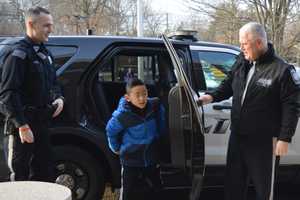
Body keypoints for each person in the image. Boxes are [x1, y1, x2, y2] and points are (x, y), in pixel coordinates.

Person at [199, 22, 300, 200]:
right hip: (238, 136)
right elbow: (229, 83)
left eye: (244, 44)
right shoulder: (242, 60)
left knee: (263, 189)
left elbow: (291, 107)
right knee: (233, 185)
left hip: (264, 141)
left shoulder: (282, 70)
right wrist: (211, 97)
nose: (241, 48)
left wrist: (285, 138)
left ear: (259, 43)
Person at [0, 6, 64, 182]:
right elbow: (8, 94)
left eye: (51, 25)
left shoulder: (45, 53)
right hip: (23, 126)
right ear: (31, 24)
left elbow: (54, 83)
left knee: (44, 172)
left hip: (42, 122)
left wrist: (59, 98)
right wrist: (22, 125)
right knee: (20, 176)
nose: (50, 29)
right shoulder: (18, 55)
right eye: (46, 25)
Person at [106, 78, 165, 200]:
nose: (142, 98)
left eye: (145, 94)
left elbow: (162, 122)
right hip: (130, 160)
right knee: (128, 191)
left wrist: (159, 136)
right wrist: (116, 148)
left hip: (151, 158)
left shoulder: (153, 106)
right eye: (137, 95)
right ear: (128, 98)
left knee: (158, 189)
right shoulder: (122, 116)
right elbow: (110, 131)